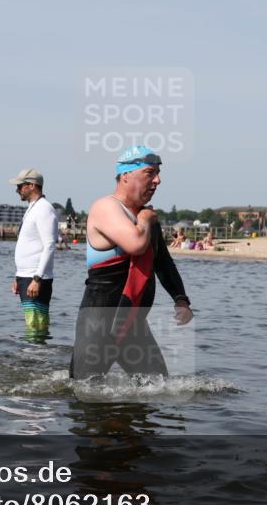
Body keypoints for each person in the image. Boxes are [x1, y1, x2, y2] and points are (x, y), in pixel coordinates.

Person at [70, 146, 193, 380]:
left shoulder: (146, 219)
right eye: (150, 173)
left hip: (133, 323)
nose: (157, 180)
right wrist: (146, 218)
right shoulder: (106, 207)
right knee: (85, 395)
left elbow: (163, 263)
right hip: (99, 321)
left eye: (158, 174)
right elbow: (135, 244)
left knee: (158, 388)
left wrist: (181, 299)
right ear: (126, 175)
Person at [9, 168, 58, 338]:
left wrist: (37, 278)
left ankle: (36, 360)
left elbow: (49, 245)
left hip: (35, 278)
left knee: (35, 325)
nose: (17, 190)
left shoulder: (44, 209)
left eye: (20, 186)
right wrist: (18, 276)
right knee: (33, 324)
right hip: (26, 276)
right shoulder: (32, 208)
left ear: (32, 185)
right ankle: (32, 359)